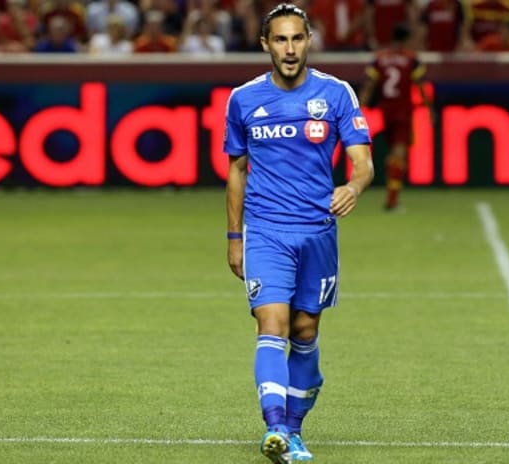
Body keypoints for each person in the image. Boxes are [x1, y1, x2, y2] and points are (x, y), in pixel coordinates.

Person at [223, 3, 373, 462]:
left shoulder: (337, 93)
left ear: (309, 41)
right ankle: (276, 429)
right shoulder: (243, 99)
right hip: (266, 230)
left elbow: (363, 161)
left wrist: (353, 184)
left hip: (317, 233)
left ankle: (294, 428)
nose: (290, 49)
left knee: (305, 331)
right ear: (265, 44)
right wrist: (234, 237)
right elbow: (236, 169)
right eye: (281, 40)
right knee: (272, 324)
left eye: (297, 39)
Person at [357, 23, 430, 212]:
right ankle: (392, 200)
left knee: (393, 153)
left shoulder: (380, 58)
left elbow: (370, 85)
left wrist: (357, 108)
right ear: (406, 40)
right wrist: (429, 108)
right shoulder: (411, 59)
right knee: (399, 154)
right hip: (403, 111)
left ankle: (391, 194)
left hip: (385, 110)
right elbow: (420, 86)